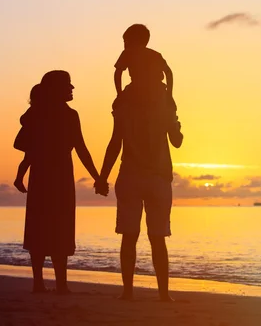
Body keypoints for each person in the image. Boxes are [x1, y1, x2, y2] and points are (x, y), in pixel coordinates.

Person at [13, 70, 103, 294]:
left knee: (39, 228)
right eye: (68, 85)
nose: (72, 89)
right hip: (59, 177)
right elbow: (81, 149)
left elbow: (29, 150)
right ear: (56, 89)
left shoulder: (38, 113)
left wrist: (20, 173)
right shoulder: (67, 115)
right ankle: (60, 284)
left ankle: (39, 284)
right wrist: (97, 177)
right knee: (59, 228)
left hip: (42, 177)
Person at [97, 90, 184, 301]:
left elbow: (115, 142)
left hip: (131, 176)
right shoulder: (164, 102)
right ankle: (163, 294)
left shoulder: (124, 103)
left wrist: (103, 176)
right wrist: (176, 125)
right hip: (157, 178)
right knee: (158, 238)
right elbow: (177, 141)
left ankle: (128, 292)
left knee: (130, 237)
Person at [113, 24, 177, 112]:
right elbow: (168, 73)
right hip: (158, 91)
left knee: (119, 108)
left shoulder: (128, 53)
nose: (124, 44)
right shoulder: (156, 55)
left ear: (132, 40)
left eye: (125, 41)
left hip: (137, 89)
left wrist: (119, 95)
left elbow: (118, 73)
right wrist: (169, 95)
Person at [13, 83, 42, 193]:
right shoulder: (35, 109)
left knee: (27, 159)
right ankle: (18, 179)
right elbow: (24, 119)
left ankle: (18, 179)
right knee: (28, 158)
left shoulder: (35, 108)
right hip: (32, 138)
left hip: (32, 138)